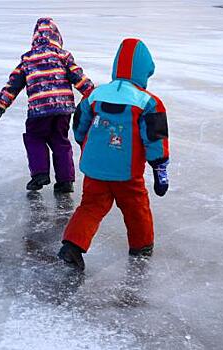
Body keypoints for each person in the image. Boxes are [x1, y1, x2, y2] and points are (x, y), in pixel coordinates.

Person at [58, 38, 170, 270]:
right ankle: (142, 246)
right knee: (136, 207)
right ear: (144, 71)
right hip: (126, 173)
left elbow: (79, 124)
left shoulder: (96, 95)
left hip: (94, 168)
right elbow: (155, 138)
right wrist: (160, 169)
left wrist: (86, 146)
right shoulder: (148, 102)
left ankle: (72, 245)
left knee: (90, 207)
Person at [0, 17, 94, 192]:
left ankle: (40, 174)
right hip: (63, 110)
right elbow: (79, 78)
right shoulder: (63, 56)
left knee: (35, 138)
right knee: (60, 141)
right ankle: (65, 181)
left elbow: (12, 86)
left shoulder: (27, 59)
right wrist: (93, 96)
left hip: (39, 110)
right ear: (57, 37)